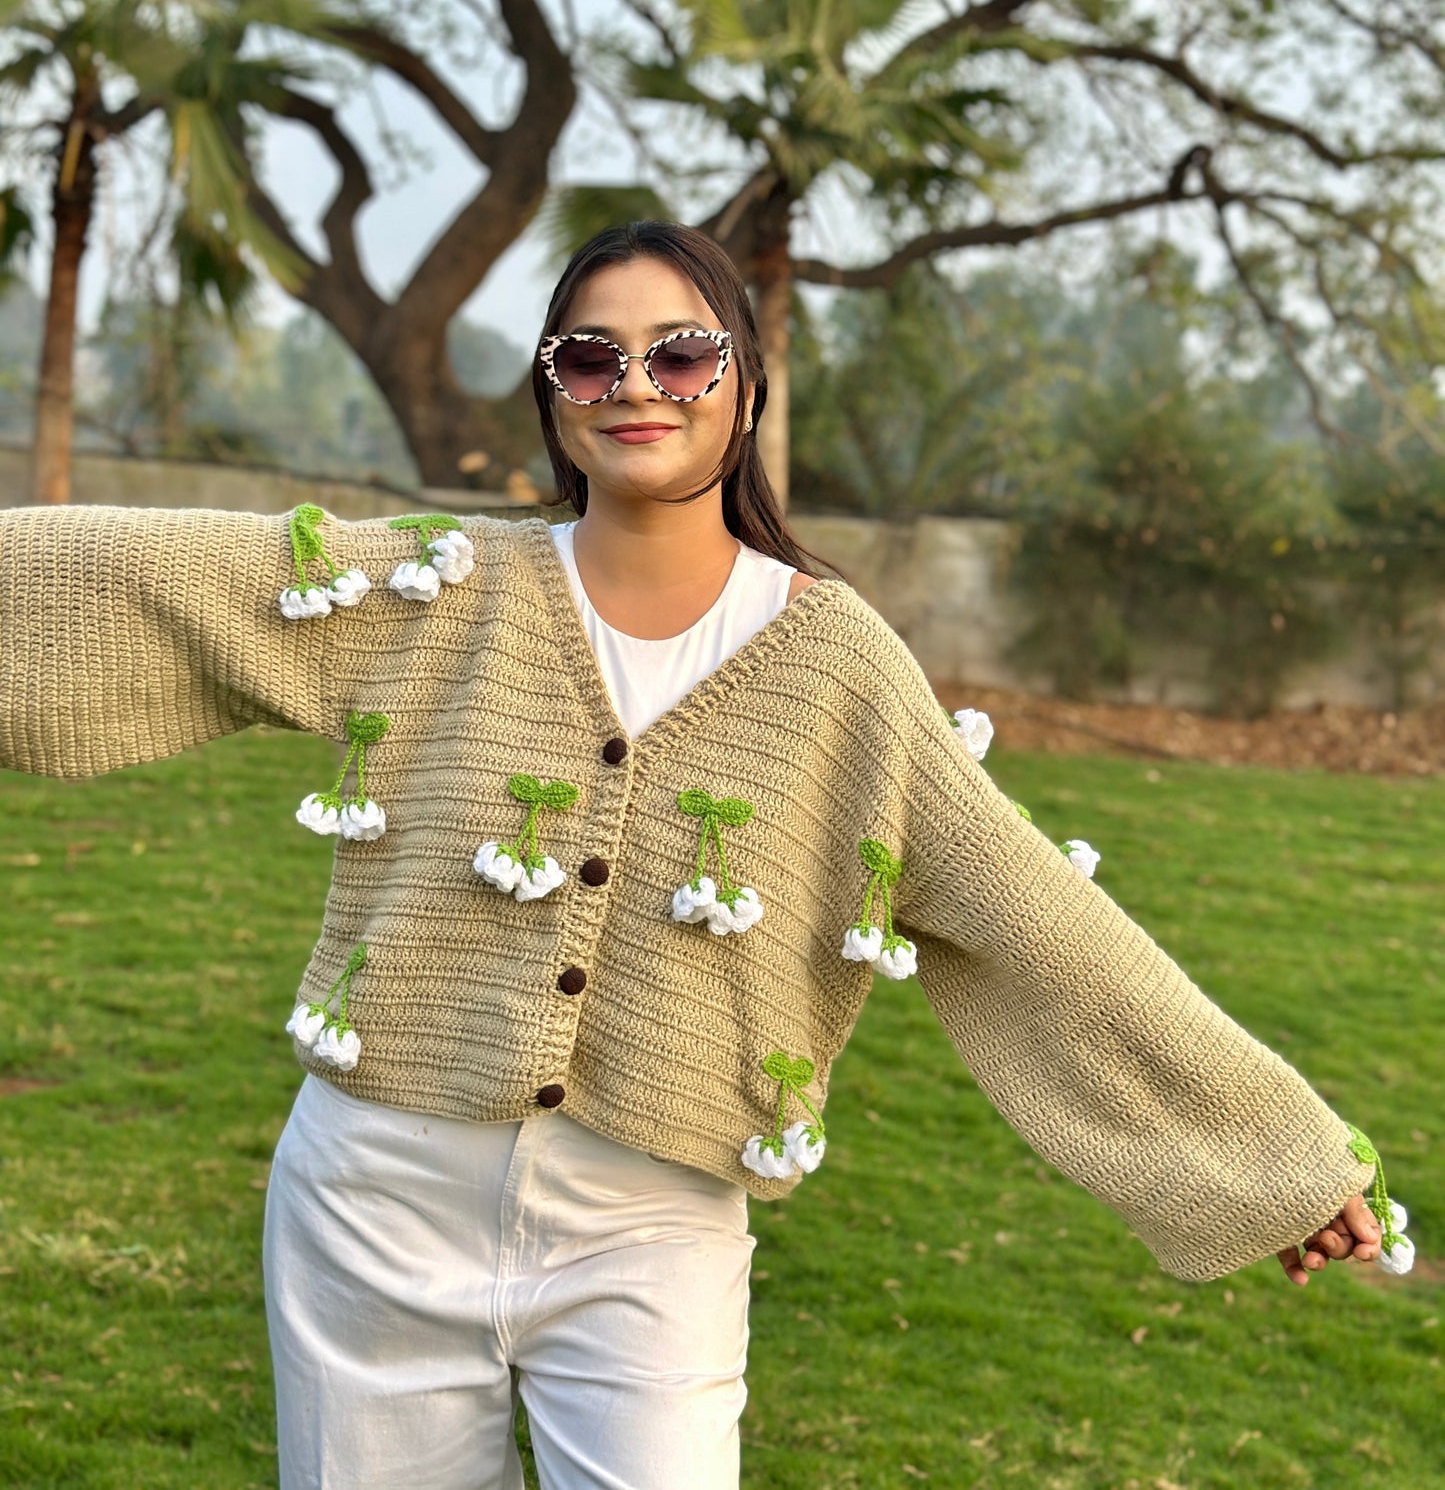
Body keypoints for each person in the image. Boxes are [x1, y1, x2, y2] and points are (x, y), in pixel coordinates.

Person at [0, 221, 1407, 1490]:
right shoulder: (440, 591)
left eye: (682, 350)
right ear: (552, 389)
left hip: (653, 1230)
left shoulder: (836, 665)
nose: (637, 384)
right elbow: (141, 582)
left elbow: (1027, 910)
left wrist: (1266, 1155)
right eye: (591, 354)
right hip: (373, 1199)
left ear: (743, 385)